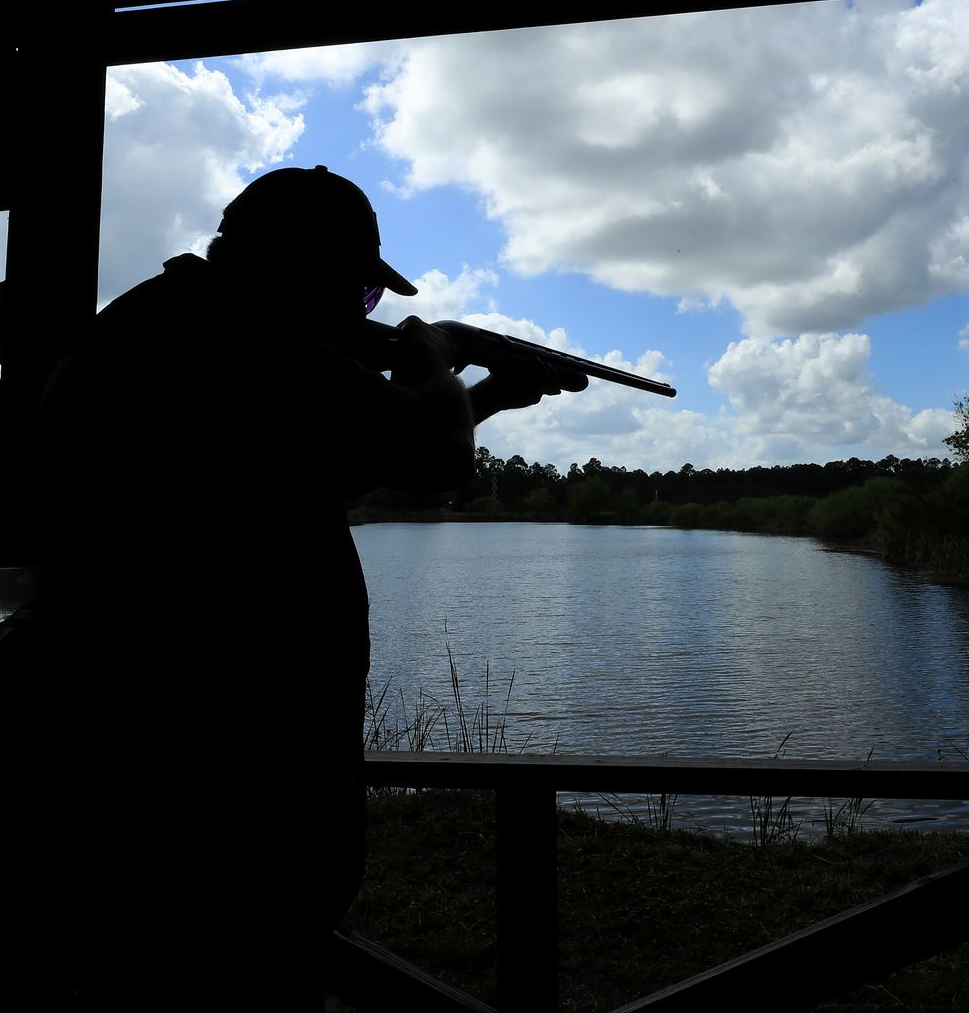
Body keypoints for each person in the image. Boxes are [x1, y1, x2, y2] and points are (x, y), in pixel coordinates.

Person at [29, 165, 571, 1005]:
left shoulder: (183, 327)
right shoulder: (237, 336)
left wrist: (487, 393)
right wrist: (436, 355)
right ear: (304, 267)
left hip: (167, 772)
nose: (363, 315)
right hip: (224, 792)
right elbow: (435, 457)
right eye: (360, 293)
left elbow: (336, 474)